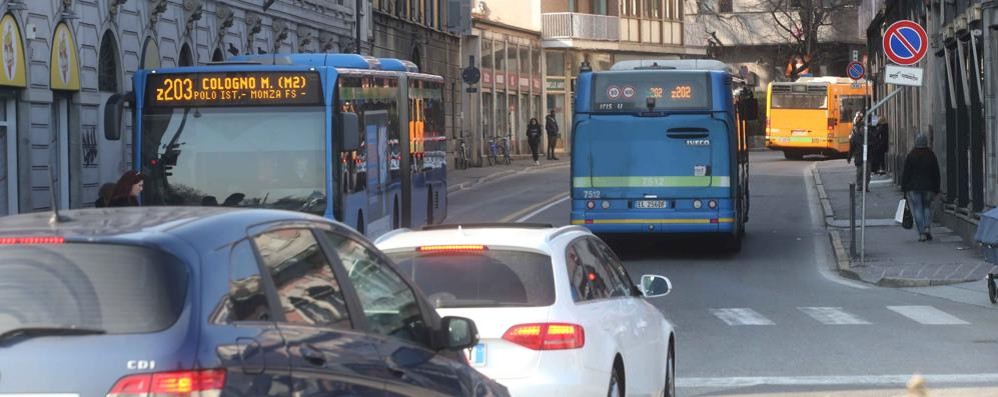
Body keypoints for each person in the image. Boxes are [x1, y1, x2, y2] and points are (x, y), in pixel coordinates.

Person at [901, 133, 941, 242]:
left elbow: (906, 173)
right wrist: (937, 188)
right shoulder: (931, 155)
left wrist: (903, 188)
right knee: (927, 207)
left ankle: (922, 233)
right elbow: (936, 173)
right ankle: (927, 227)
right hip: (928, 187)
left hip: (914, 188)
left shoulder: (911, 155)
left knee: (917, 209)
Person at [846, 112, 870, 192]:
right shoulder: (855, 137)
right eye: (861, 128)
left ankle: (865, 186)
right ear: (859, 129)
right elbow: (851, 148)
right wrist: (849, 157)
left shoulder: (869, 135)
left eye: (864, 128)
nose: (863, 129)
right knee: (860, 172)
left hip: (868, 157)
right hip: (859, 157)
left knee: (867, 173)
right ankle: (860, 185)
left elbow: (875, 143)